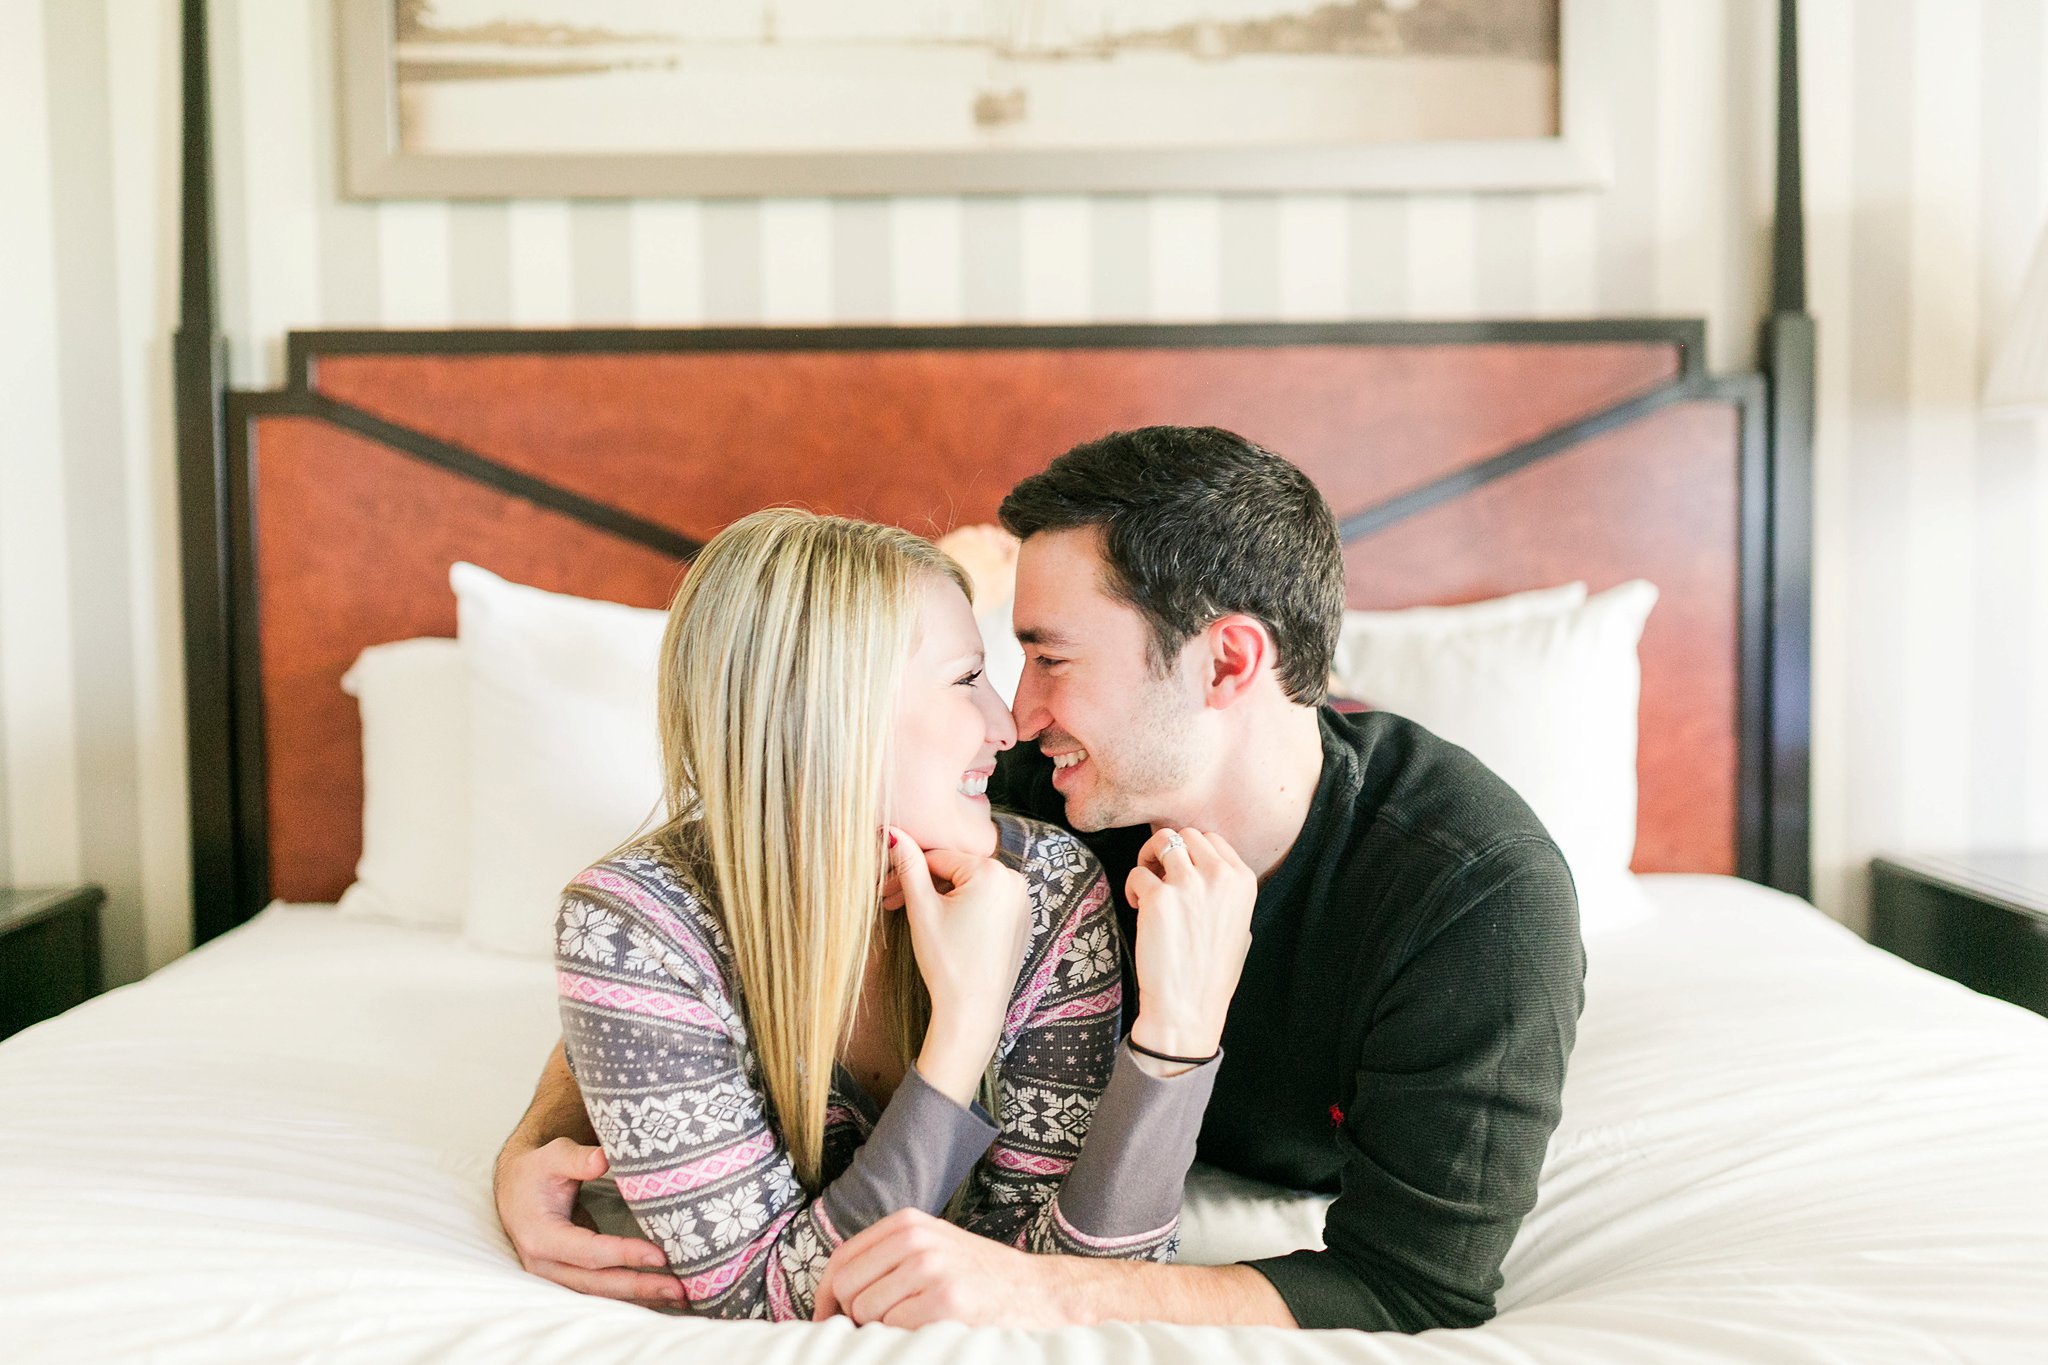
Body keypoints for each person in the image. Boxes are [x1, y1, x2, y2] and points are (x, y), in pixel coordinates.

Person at [499, 429, 1586, 1332]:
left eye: (1048, 658)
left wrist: (1035, 1283)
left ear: (1226, 663)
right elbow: (731, 901)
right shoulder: (1033, 790)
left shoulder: (1477, 905)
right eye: (988, 665)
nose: (1012, 716)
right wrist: (543, 1132)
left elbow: (1416, 1286)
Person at [530, 508, 1246, 1322]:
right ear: (831, 716)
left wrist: (1173, 1046)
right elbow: (758, 1300)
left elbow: (1081, 1281)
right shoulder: (632, 928)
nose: (1006, 725)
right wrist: (961, 1034)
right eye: (965, 677)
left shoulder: (1045, 887)